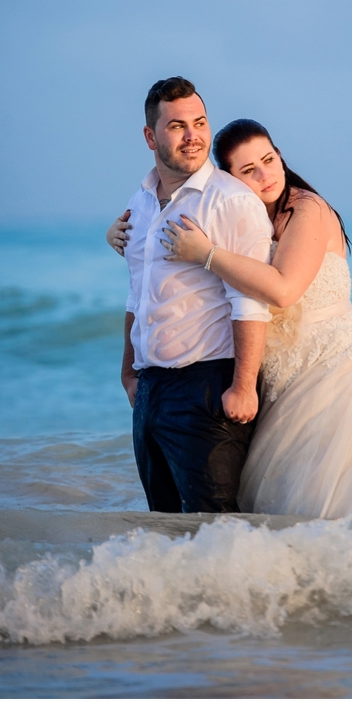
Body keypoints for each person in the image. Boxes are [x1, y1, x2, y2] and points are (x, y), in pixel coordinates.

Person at [109, 117, 352, 526]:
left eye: (269, 159)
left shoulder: (307, 208)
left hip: (337, 370)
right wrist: (125, 235)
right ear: (229, 180)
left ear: (280, 156)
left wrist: (207, 253)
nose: (265, 175)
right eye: (249, 170)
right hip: (283, 377)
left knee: (347, 502)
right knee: (279, 506)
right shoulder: (244, 217)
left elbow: (282, 290)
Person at [116, 79, 274, 515]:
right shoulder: (141, 202)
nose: (193, 136)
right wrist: (129, 375)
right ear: (151, 136)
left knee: (215, 527)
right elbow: (137, 293)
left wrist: (242, 386)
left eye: (200, 123)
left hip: (207, 386)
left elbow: (249, 300)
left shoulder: (230, 201)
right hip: (150, 391)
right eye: (177, 126)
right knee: (164, 529)